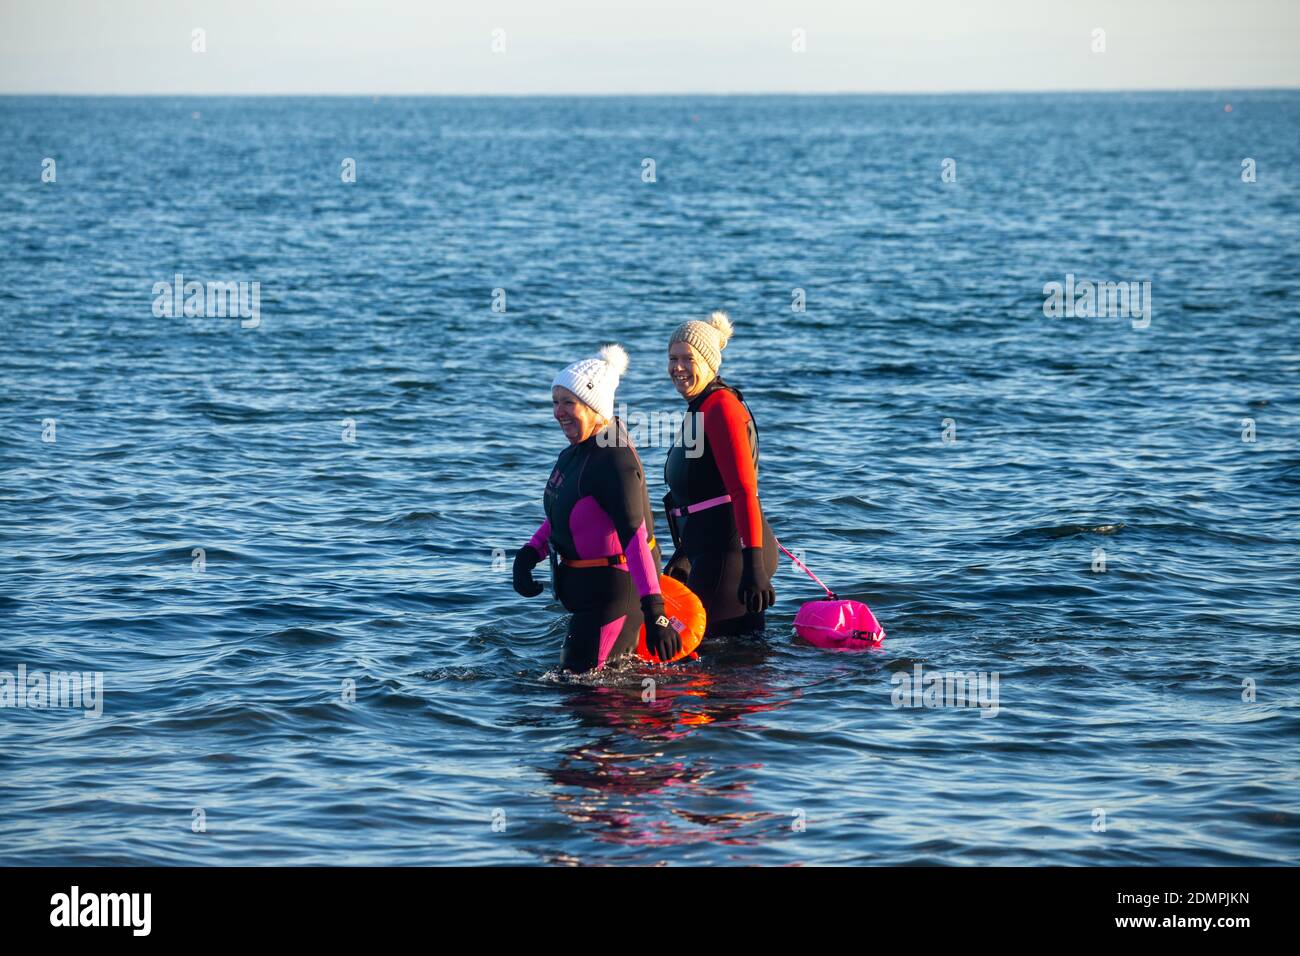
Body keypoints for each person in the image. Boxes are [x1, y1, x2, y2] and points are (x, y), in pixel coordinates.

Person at [513, 344, 681, 672]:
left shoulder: (613, 460)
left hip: (615, 596)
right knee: (576, 693)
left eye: (568, 403)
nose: (558, 412)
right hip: (588, 598)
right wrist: (530, 553)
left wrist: (655, 610)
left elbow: (636, 537)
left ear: (594, 407)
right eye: (555, 402)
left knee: (593, 698)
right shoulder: (577, 451)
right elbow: (566, 509)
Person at [662, 312, 777, 637]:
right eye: (673, 358)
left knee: (717, 665)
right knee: (730, 662)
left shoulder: (721, 407)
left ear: (710, 362)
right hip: (711, 552)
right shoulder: (701, 407)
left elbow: (744, 491)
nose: (678, 368)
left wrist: (753, 565)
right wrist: (685, 554)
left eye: (688, 358)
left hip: (734, 556)